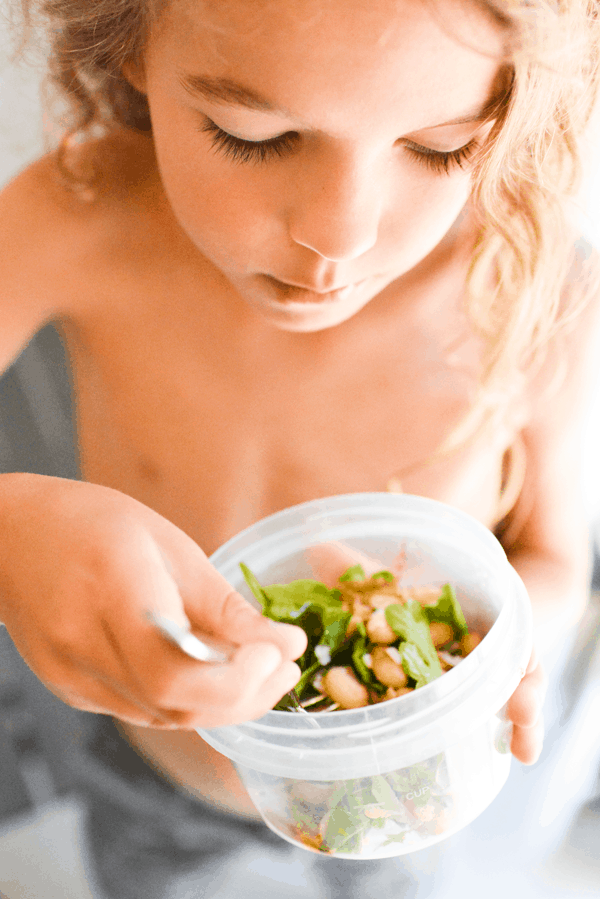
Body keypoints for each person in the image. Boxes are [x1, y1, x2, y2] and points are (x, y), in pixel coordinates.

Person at [0, 0, 599, 895]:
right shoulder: (76, 218)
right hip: (159, 775)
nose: (340, 237)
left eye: (440, 145)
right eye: (254, 134)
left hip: (410, 782)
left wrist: (511, 642)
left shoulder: (528, 278)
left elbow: (555, 551)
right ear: (129, 45)